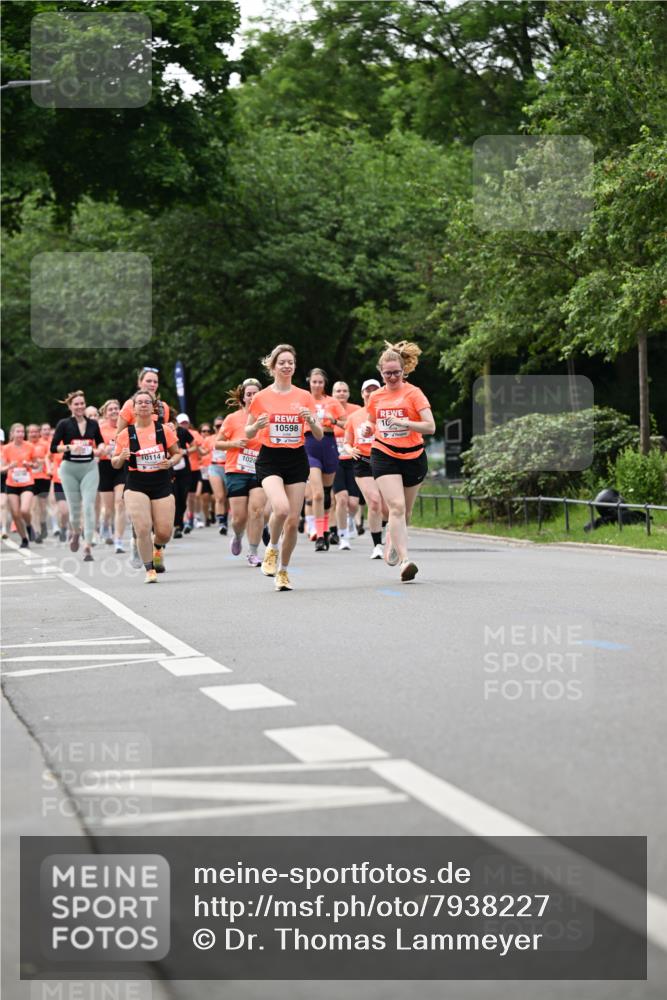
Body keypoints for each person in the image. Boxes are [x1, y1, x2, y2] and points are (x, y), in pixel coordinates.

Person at [246, 344, 322, 591]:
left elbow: (319, 434)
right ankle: (271, 548)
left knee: (292, 521)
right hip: (270, 458)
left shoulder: (304, 396)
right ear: (273, 366)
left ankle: (283, 571)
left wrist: (311, 420)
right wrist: (257, 425)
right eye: (282, 362)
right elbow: (247, 431)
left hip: (296, 459)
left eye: (291, 362)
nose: (287, 366)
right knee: (280, 508)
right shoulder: (261, 397)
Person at [360, 341, 435, 582]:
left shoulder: (414, 393)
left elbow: (430, 426)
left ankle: (393, 541)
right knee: (396, 507)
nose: (392, 377)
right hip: (384, 454)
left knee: (406, 512)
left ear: (404, 371)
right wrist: (366, 428)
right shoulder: (376, 396)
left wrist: (406, 424)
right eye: (387, 373)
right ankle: (405, 560)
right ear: (380, 372)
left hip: (413, 456)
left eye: (396, 372)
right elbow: (372, 421)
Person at [112, 389, 181, 583]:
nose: (143, 405)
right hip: (136, 484)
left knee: (165, 532)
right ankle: (149, 569)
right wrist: (120, 457)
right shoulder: (126, 434)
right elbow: (114, 462)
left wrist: (171, 462)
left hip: (161, 482)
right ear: (133, 409)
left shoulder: (163, 430)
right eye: (139, 402)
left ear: (153, 408)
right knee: (142, 528)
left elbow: (177, 453)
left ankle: (158, 547)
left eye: (147, 402)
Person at [50, 391, 105, 561]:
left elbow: (100, 440)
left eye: (82, 403)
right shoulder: (64, 424)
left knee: (88, 506)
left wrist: (101, 448)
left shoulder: (93, 424)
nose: (80, 406)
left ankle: (87, 546)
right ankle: (75, 531)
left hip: (89, 468)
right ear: (70, 406)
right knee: (74, 510)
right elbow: (53, 447)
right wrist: (69, 447)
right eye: (76, 404)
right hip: (69, 469)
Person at [217, 378, 265, 566]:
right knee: (239, 518)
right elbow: (217, 443)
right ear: (243, 398)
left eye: (255, 393)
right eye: (249, 394)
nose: (252, 397)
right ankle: (237, 535)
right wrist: (233, 444)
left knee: (257, 511)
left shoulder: (267, 417)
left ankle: (253, 552)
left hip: (259, 469)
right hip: (236, 469)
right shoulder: (232, 418)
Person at [343, 378, 387, 560]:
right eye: (367, 390)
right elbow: (346, 442)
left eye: (374, 390)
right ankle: (377, 545)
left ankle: (385, 534)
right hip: (362, 461)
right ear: (362, 394)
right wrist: (349, 450)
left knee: (387, 507)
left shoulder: (386, 414)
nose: (370, 393)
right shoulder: (354, 417)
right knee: (374, 502)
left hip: (385, 460)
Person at [304, 368, 346, 551]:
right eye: (314, 381)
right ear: (309, 382)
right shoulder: (303, 400)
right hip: (309, 445)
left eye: (320, 382)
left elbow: (347, 424)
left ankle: (326, 529)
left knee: (328, 493)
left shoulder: (333, 402)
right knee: (318, 494)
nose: (317, 385)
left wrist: (334, 421)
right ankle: (320, 535)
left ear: (324, 383)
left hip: (329, 445)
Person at [331, 380, 361, 550]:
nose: (341, 393)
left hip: (354, 459)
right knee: (341, 499)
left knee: (354, 503)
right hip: (335, 461)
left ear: (348, 393)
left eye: (344, 390)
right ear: (333, 394)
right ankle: (343, 537)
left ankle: (350, 521)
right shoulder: (328, 410)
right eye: (338, 391)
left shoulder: (356, 410)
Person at [1, 423, 38, 548]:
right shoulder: (6, 448)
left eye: (22, 432)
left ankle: (29, 525)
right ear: (12, 434)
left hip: (27, 482)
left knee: (24, 510)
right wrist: (9, 467)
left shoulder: (30, 446)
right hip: (12, 483)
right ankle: (24, 539)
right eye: (18, 432)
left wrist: (31, 465)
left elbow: (36, 464)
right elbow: (1, 468)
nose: (20, 434)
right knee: (15, 513)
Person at [97, 399, 127, 553]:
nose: (114, 411)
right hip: (104, 467)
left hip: (121, 467)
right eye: (111, 409)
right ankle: (105, 524)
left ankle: (119, 540)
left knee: (120, 503)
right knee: (108, 508)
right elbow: (95, 448)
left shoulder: (126, 429)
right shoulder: (100, 429)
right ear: (105, 412)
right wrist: (103, 449)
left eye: (117, 408)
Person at [116, 367, 171, 433]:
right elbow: (119, 436)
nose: (152, 384)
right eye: (148, 381)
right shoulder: (130, 404)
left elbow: (164, 435)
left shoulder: (163, 406)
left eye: (155, 382)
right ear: (139, 383)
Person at [27, 423, 51, 542]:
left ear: (39, 433)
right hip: (29, 479)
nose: (34, 434)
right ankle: (36, 531)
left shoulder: (45, 444)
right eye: (31, 432)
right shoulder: (25, 445)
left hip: (43, 478)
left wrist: (41, 461)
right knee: (33, 506)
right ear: (28, 434)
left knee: (42, 506)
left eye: (36, 431)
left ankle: (42, 524)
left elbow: (50, 458)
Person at [209, 414, 229, 534]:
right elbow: (201, 451)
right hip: (214, 467)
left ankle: (225, 520)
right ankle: (221, 522)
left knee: (226, 497)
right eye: (217, 426)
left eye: (222, 425)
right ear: (214, 427)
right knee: (219, 496)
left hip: (227, 467)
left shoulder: (230, 437)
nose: (220, 427)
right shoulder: (210, 438)